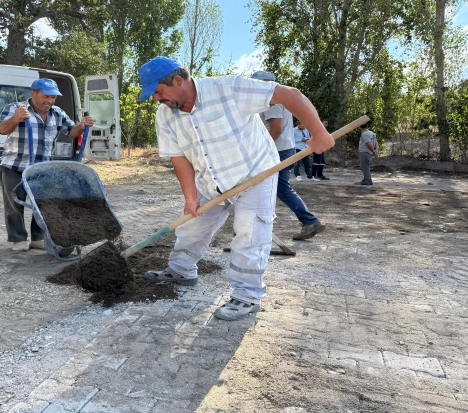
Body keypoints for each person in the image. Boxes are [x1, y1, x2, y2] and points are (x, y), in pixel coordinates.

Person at [139, 57, 333, 321]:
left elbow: (289, 94)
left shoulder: (228, 88)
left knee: (250, 234)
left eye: (159, 92)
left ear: (178, 81)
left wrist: (318, 132)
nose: (156, 99)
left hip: (255, 175)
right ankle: (181, 271)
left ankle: (246, 296)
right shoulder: (166, 115)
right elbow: (179, 157)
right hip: (211, 181)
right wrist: (190, 197)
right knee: (192, 226)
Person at [0, 78, 94, 251]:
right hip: (15, 166)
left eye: (53, 98)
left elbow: (71, 132)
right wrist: (15, 119)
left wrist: (82, 126)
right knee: (14, 204)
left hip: (42, 168)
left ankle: (37, 238)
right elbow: (3, 129)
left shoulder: (57, 113)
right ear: (33, 94)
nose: (49, 101)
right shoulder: (15, 108)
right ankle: (18, 239)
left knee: (43, 203)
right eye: (46, 96)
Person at [252, 71, 325, 241]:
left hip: (277, 151)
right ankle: (309, 221)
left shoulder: (272, 101)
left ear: (264, 84)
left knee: (266, 187)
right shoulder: (274, 99)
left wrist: (261, 150)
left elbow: (276, 129)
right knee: (279, 188)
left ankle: (308, 221)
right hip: (283, 149)